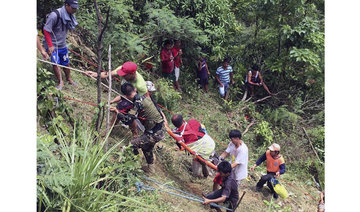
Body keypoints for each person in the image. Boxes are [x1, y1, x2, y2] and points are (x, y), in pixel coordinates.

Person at [110, 83, 165, 173]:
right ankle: (151, 169)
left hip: (154, 133)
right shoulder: (144, 98)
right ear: (135, 90)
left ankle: (132, 166)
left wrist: (117, 112)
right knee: (146, 148)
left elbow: (128, 120)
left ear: (126, 96)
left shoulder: (137, 103)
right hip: (159, 130)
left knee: (129, 146)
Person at [43, 0, 79, 90]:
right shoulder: (55, 15)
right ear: (66, 5)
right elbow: (46, 30)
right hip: (52, 44)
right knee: (56, 63)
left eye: (76, 8)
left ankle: (69, 78)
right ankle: (60, 81)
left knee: (66, 62)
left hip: (62, 44)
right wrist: (50, 45)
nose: (75, 10)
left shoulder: (69, 16)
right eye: (73, 8)